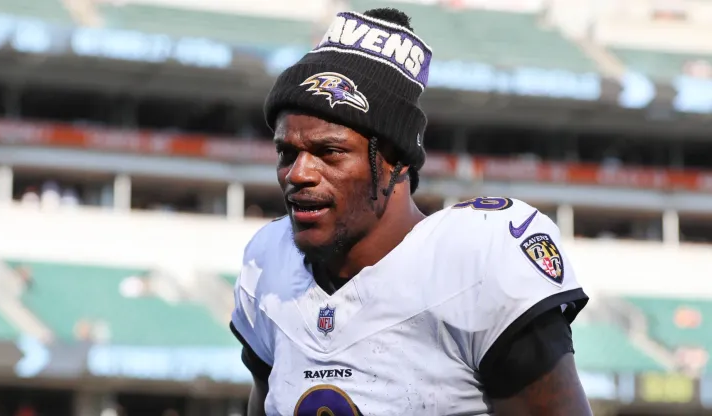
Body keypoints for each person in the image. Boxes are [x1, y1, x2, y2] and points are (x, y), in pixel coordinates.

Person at [230, 7, 592, 416]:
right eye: (286, 152)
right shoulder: (268, 263)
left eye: (328, 152)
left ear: (396, 159)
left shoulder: (473, 261)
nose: (298, 174)